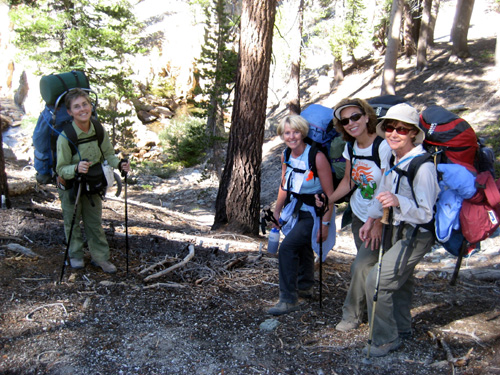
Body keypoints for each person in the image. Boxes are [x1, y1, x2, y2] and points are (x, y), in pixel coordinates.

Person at [359, 103, 439, 357]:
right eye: (390, 127)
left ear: (413, 133)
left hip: (416, 234)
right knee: (400, 282)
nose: (394, 133)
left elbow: (426, 213)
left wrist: (399, 202)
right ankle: (402, 329)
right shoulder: (395, 157)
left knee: (377, 281)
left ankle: (384, 339)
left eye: (402, 129)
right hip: (396, 228)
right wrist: (371, 220)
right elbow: (384, 193)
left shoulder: (423, 166)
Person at [317, 98, 392, 332]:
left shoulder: (383, 146)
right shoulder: (351, 147)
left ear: (367, 116)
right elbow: (350, 181)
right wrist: (328, 200)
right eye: (345, 120)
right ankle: (372, 312)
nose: (351, 123)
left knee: (360, 266)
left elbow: (388, 186)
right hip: (359, 213)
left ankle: (351, 315)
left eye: (356, 117)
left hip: (378, 217)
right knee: (367, 266)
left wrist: (379, 220)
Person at [56, 88, 130, 274]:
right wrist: (75, 168)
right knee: (71, 222)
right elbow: (60, 169)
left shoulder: (97, 128)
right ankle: (75, 255)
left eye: (85, 104)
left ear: (90, 106)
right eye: (77, 106)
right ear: (70, 112)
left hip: (93, 183)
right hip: (71, 186)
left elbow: (109, 155)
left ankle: (101, 258)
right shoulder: (65, 137)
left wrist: (120, 164)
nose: (82, 109)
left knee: (94, 222)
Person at [268, 114, 335, 316]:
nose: (292, 137)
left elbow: (330, 195)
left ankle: (288, 299)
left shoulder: (317, 156)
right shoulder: (286, 155)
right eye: (287, 133)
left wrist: (325, 224)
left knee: (287, 248)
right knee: (302, 246)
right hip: (297, 208)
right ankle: (305, 286)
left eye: (295, 131)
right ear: (282, 135)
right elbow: (284, 184)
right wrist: (277, 210)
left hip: (315, 211)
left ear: (303, 132)